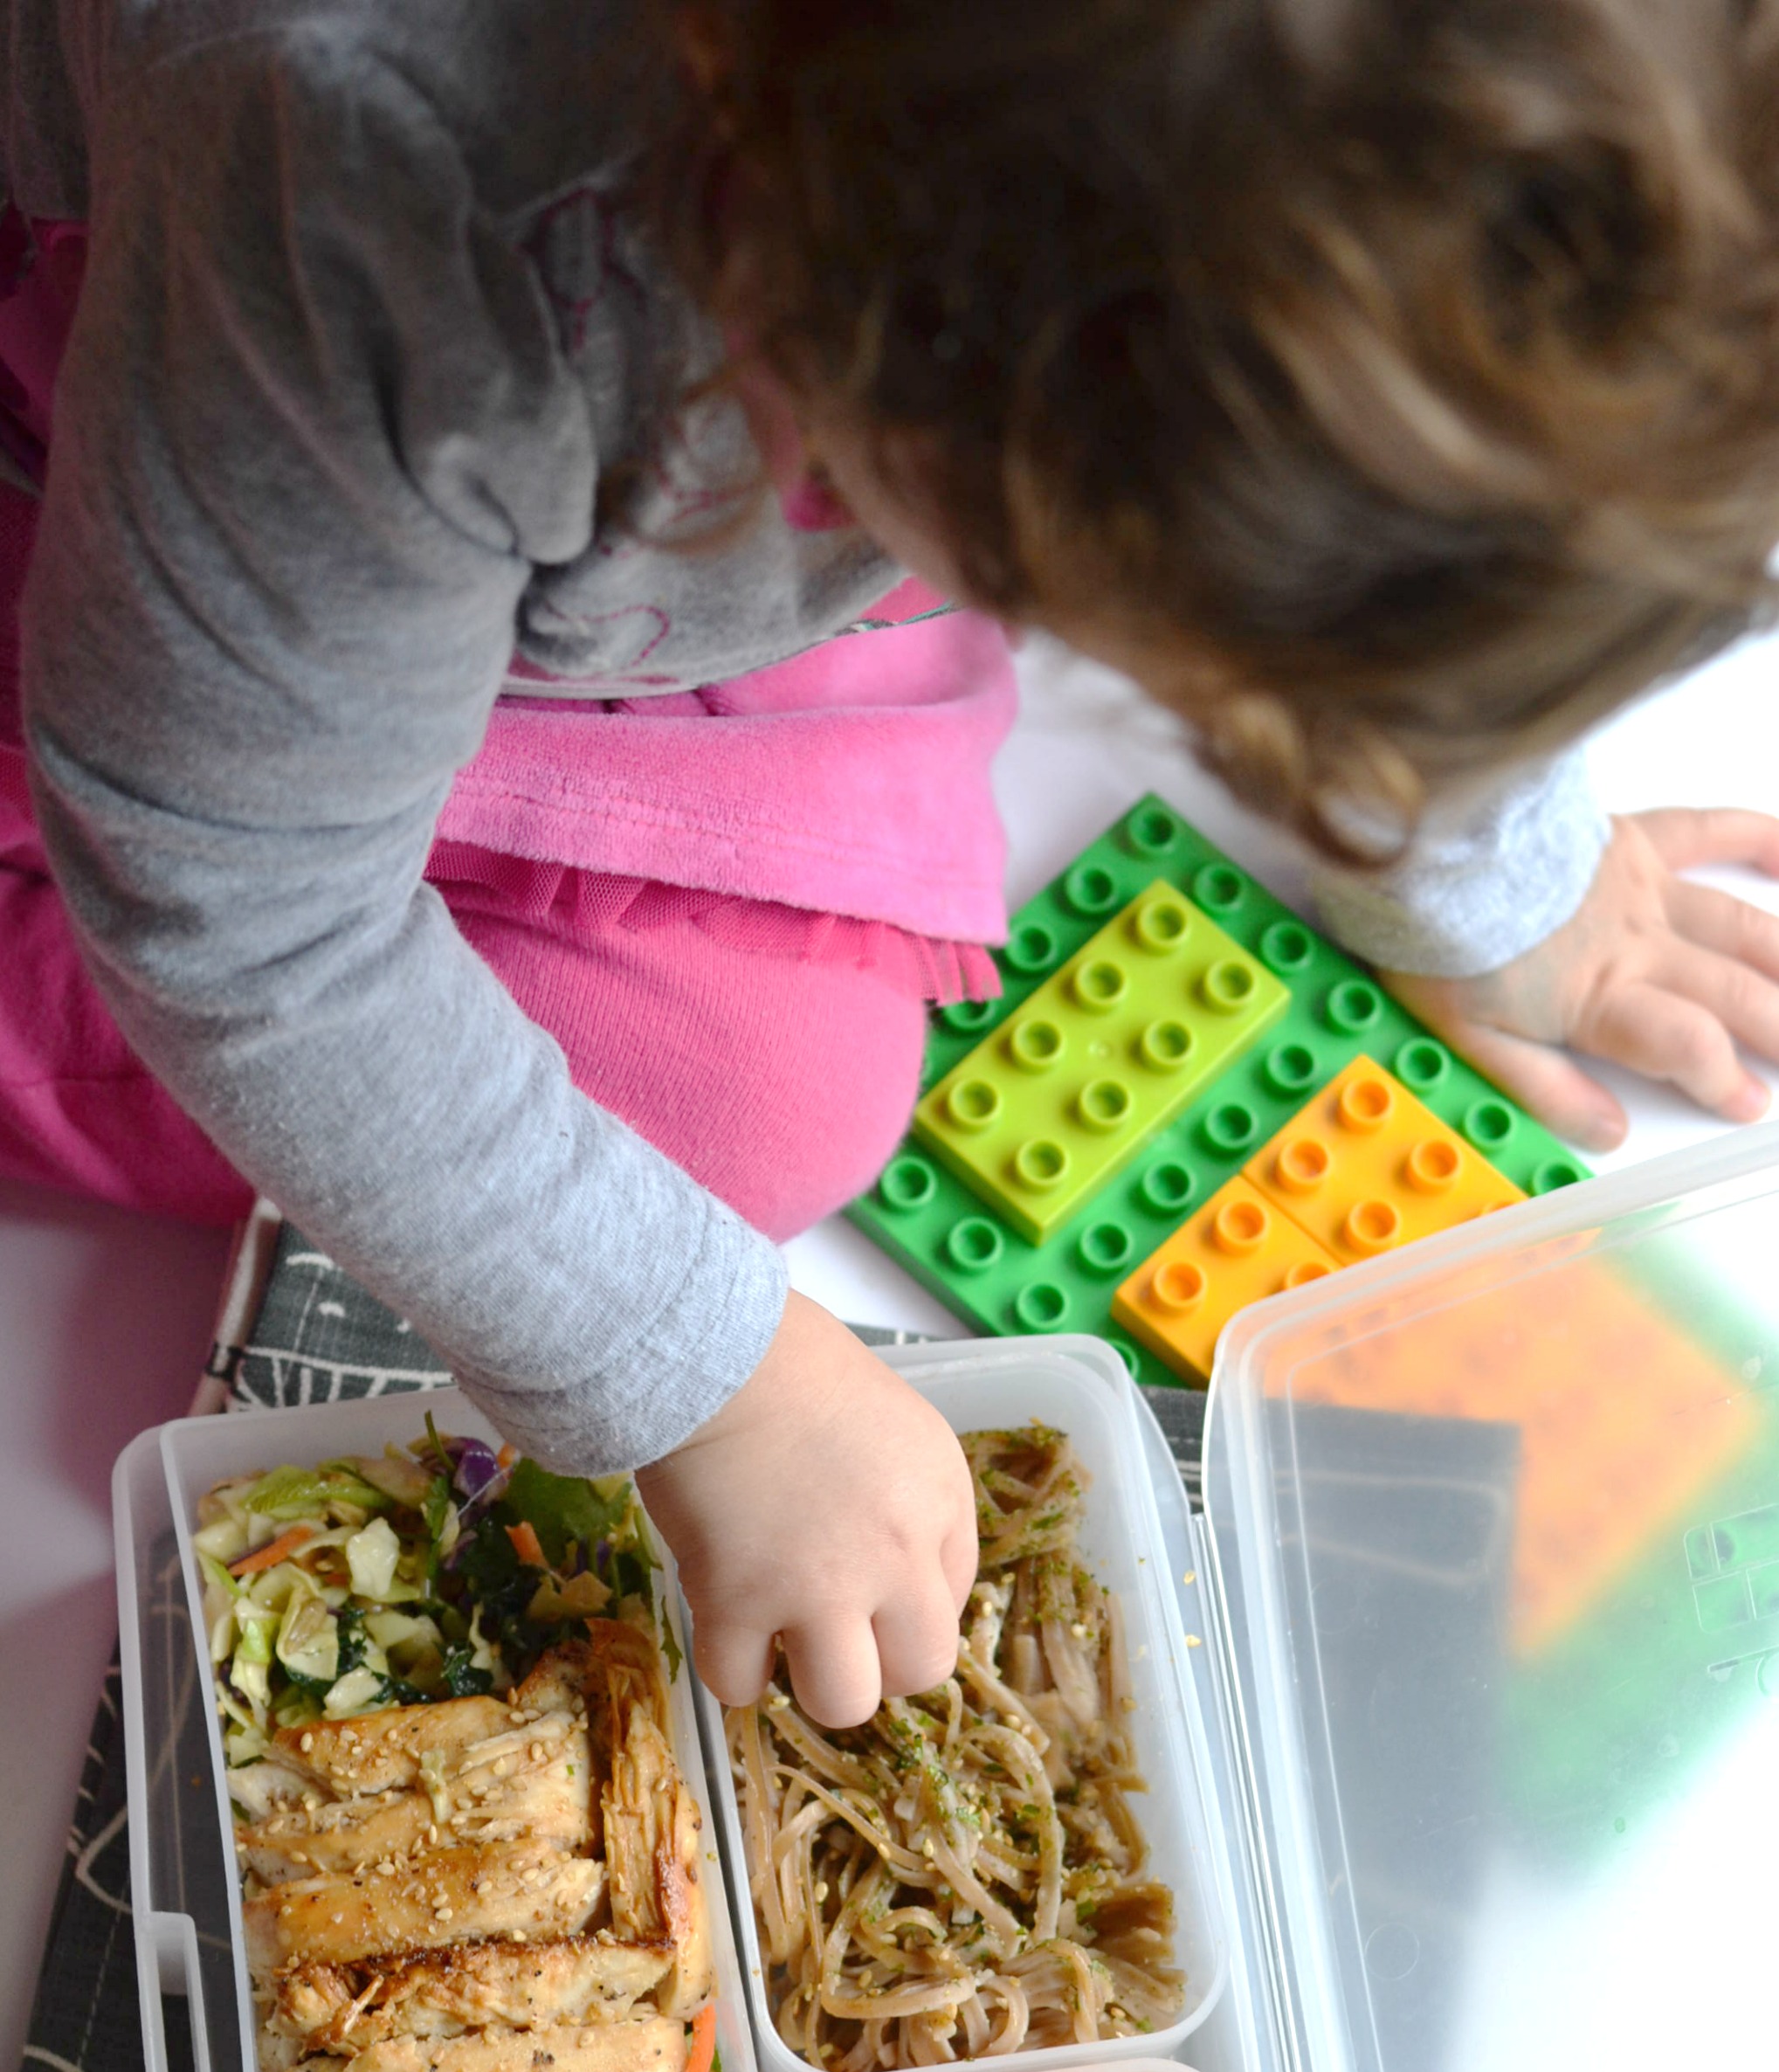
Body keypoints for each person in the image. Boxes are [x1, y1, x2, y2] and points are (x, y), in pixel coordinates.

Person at [3, 0, 1779, 1727]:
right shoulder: (389, 180)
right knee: (734, 1114)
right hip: (172, 427)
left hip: (615, 447)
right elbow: (233, 893)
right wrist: (700, 1379)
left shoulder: (1115, 172)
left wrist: (1477, 853)